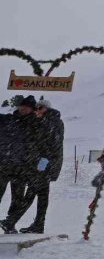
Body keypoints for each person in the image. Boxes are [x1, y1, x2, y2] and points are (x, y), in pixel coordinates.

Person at [3, 97, 64, 234]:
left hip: (46, 164)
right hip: (46, 163)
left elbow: (53, 143)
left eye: (39, 108)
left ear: (45, 108)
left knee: (31, 193)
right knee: (42, 195)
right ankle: (38, 224)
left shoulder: (52, 121)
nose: (37, 111)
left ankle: (11, 221)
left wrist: (45, 161)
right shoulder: (48, 120)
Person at [0, 96, 31, 234]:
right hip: (3, 165)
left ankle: (10, 224)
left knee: (17, 199)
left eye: (27, 107)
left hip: (21, 168)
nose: (23, 109)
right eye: (22, 106)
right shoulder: (7, 120)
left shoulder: (33, 124)